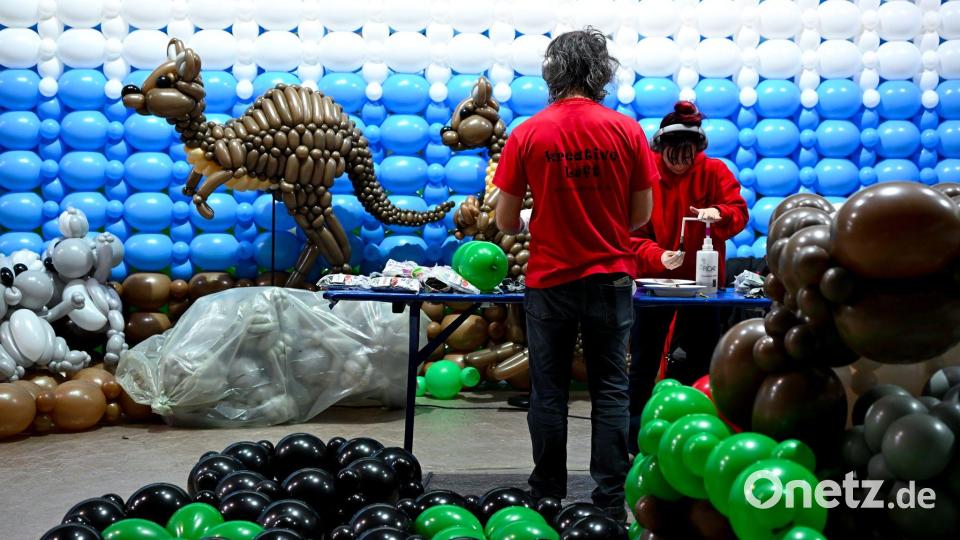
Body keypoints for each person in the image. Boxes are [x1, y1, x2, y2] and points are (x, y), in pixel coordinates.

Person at [493, 28, 658, 522]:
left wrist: (542, 215)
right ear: (601, 71)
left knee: (549, 390)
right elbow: (640, 216)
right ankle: (609, 501)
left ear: (552, 72)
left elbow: (503, 221)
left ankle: (546, 494)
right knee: (610, 388)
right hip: (611, 276)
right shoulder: (626, 131)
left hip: (549, 279)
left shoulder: (528, 132)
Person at [628, 101, 749, 452]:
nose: (681, 164)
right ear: (660, 149)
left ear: (698, 151)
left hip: (705, 288)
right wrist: (656, 256)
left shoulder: (714, 172)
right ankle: (635, 434)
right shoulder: (644, 175)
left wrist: (719, 212)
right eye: (673, 156)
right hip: (654, 286)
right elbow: (631, 234)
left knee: (699, 359)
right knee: (644, 359)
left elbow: (738, 212)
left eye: (688, 156)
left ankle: (696, 432)